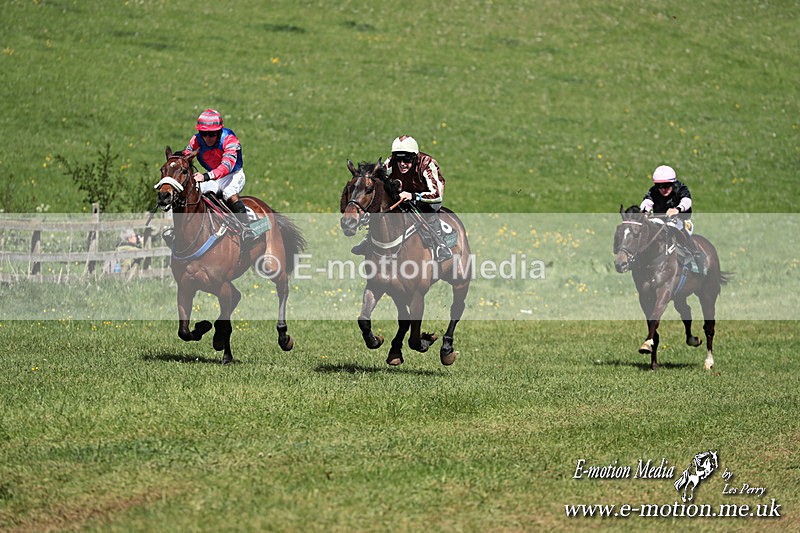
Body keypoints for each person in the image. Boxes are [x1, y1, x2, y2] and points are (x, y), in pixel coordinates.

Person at [351, 135, 452, 261]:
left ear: (415, 157)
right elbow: (378, 181)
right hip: (402, 194)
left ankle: (440, 244)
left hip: (427, 198)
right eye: (398, 159)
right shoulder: (390, 162)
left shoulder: (427, 164)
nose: (402, 164)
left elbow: (437, 195)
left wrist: (413, 196)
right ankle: (369, 238)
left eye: (407, 159)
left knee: (429, 211)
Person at [185, 108, 255, 241]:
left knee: (228, 193)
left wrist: (205, 177)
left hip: (233, 175)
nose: (207, 138)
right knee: (193, 191)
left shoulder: (230, 139)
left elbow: (226, 166)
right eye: (204, 133)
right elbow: (186, 154)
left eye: (212, 134)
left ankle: (247, 228)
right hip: (213, 177)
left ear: (219, 131)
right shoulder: (196, 139)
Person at [639, 165, 703, 264]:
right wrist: (643, 212)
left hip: (681, 220)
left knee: (678, 228)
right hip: (660, 220)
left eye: (667, 185)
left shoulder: (680, 188)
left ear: (673, 183)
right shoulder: (653, 191)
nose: (663, 189)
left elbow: (687, 201)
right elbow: (647, 202)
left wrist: (677, 209)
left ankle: (695, 253)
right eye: (659, 186)